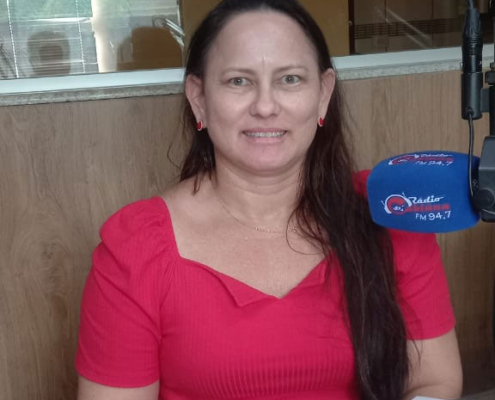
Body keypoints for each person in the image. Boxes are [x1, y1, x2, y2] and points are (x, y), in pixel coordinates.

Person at [75, 0, 463, 399]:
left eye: (290, 79)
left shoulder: (390, 210)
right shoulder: (134, 250)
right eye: (238, 81)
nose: (265, 106)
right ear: (199, 98)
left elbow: (434, 381)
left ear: (323, 94)